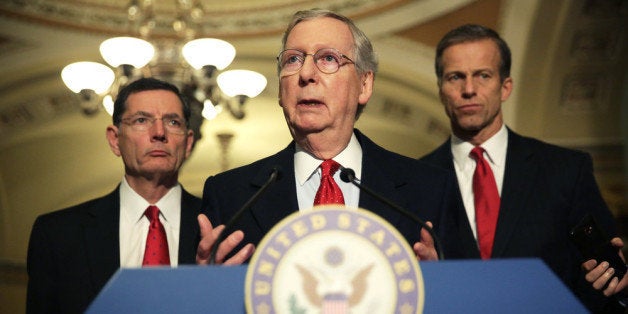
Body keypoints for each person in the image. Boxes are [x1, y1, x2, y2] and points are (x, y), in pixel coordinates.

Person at [196, 9, 462, 265]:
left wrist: (441, 281)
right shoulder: (230, 196)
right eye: (293, 60)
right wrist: (210, 283)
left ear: (364, 84)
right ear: (280, 90)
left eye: (328, 59)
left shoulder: (430, 189)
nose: (306, 74)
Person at [419, 24, 627, 312]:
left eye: (483, 75)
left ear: (505, 87)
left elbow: (607, 276)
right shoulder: (417, 179)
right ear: (441, 89)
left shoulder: (566, 170)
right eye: (456, 77)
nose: (469, 89)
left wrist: (615, 275)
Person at [26, 78, 252, 314]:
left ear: (187, 143)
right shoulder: (57, 233)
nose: (159, 132)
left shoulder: (222, 231)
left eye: (173, 122)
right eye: (141, 120)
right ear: (115, 140)